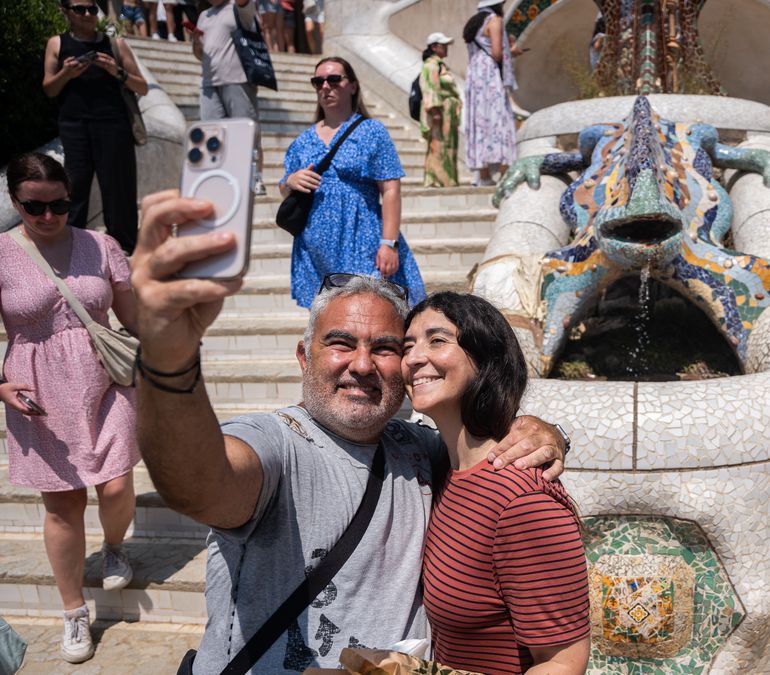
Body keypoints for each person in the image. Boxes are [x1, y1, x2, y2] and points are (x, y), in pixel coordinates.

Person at [131, 197, 571, 671]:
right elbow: (198, 482)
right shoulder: (276, 441)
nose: (362, 365)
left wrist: (552, 433)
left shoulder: (421, 447)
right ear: (304, 357)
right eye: (341, 343)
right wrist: (169, 360)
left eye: (385, 348)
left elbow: (484, 453)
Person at [403, 292, 590, 674]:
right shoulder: (440, 467)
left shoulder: (521, 501)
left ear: (486, 359)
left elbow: (562, 663)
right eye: (408, 345)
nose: (414, 358)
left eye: (437, 340)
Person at [1, 154, 140, 665]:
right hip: (37, 393)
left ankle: (114, 545)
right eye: (35, 206)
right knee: (62, 505)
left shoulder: (100, 245)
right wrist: (1, 386)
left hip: (106, 381)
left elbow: (132, 316)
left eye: (59, 203)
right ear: (16, 202)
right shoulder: (1, 253)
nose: (49, 216)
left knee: (119, 483)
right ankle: (73, 611)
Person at [281, 57, 426, 309]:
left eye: (334, 79)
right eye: (318, 81)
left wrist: (389, 243)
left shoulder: (372, 131)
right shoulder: (303, 140)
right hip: (315, 248)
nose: (325, 86)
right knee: (331, 317)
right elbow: (284, 188)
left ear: (353, 86)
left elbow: (391, 189)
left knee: (376, 309)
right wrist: (291, 181)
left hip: (363, 238)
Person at [42, 0, 150, 255]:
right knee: (75, 188)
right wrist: (66, 74)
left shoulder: (115, 43)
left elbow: (142, 86)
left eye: (92, 8)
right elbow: (49, 89)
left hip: (114, 125)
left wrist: (117, 71)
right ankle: (71, 248)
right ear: (66, 12)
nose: (88, 14)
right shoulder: (57, 44)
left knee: (119, 189)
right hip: (75, 126)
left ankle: (123, 248)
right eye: (80, 9)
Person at [191, 0, 266, 195]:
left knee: (248, 134)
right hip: (209, 83)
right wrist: (196, 42)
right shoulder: (204, 15)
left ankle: (255, 179)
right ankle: (220, 179)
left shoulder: (238, 7)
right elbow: (199, 55)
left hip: (238, 80)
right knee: (211, 135)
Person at [464, 0, 518, 186]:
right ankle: (504, 170)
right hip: (489, 73)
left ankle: (484, 175)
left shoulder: (474, 23)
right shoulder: (494, 20)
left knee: (480, 120)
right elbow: (496, 52)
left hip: (475, 72)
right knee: (498, 118)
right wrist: (510, 53)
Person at [419, 33, 462, 188]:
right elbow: (430, 88)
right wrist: (434, 110)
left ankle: (446, 179)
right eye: (442, 45)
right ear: (434, 47)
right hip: (440, 111)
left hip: (447, 111)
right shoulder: (431, 65)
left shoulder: (440, 65)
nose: (446, 48)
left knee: (447, 145)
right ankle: (437, 179)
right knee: (439, 145)